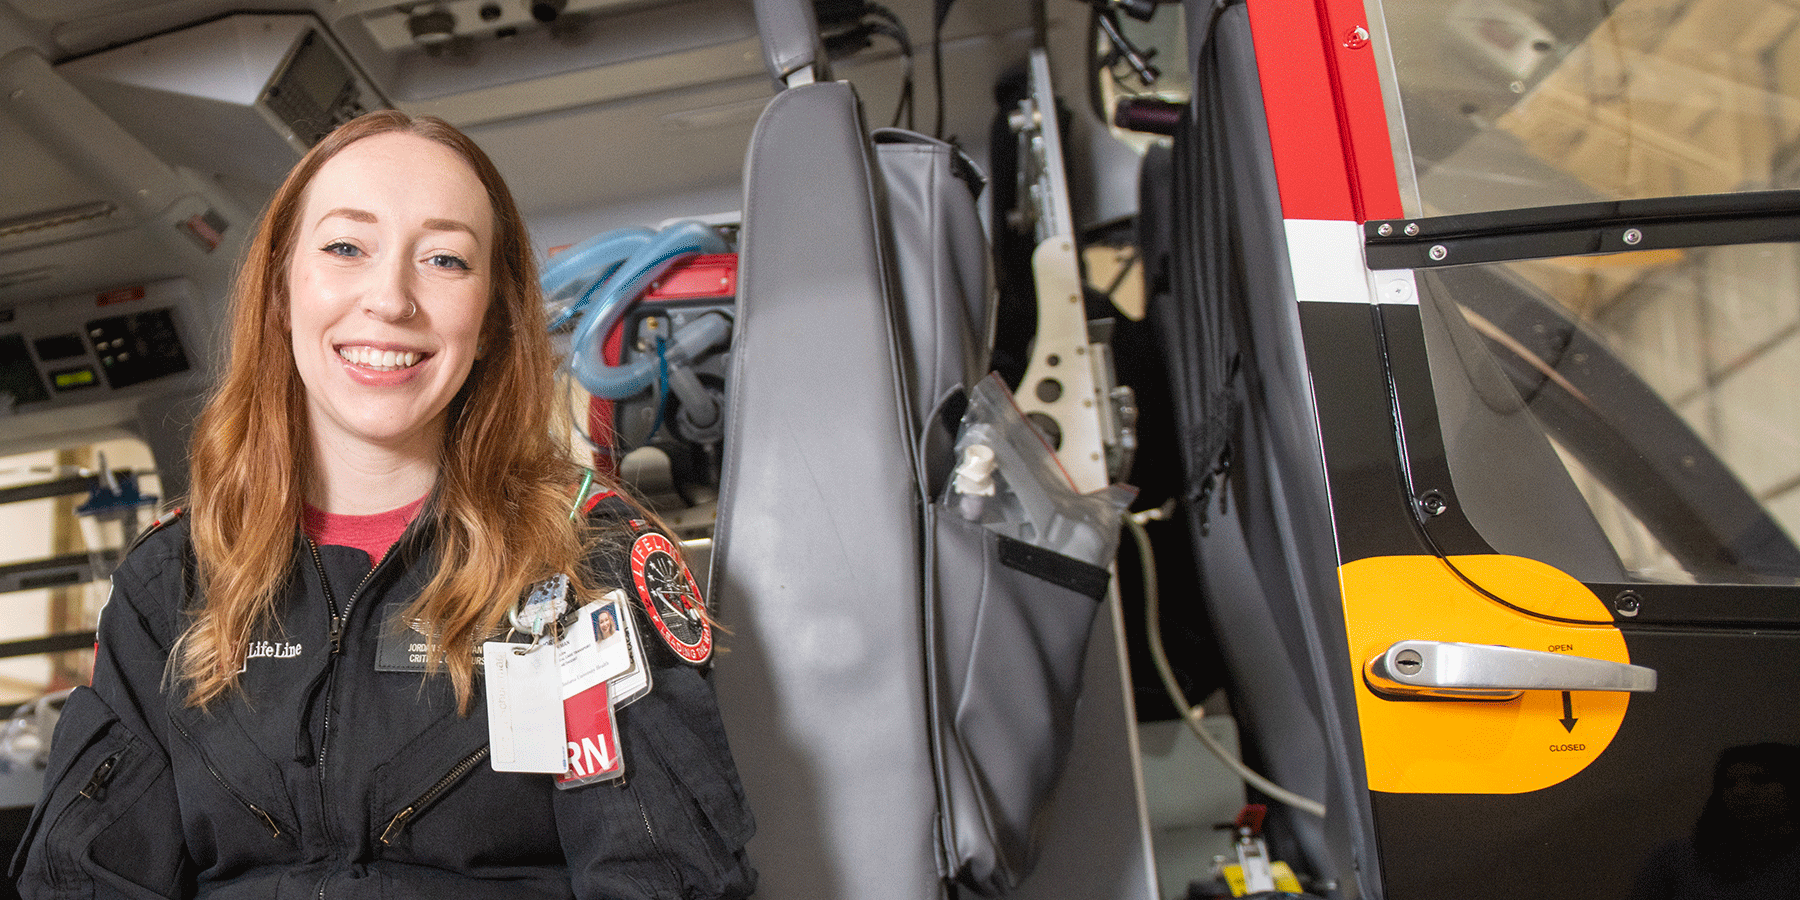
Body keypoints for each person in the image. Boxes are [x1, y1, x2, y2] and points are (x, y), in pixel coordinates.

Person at [11, 110, 756, 899]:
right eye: (345, 248)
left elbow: (660, 879)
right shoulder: (172, 582)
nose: (391, 299)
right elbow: (82, 880)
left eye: (444, 259)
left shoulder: (583, 565)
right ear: (281, 291)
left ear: (492, 319)